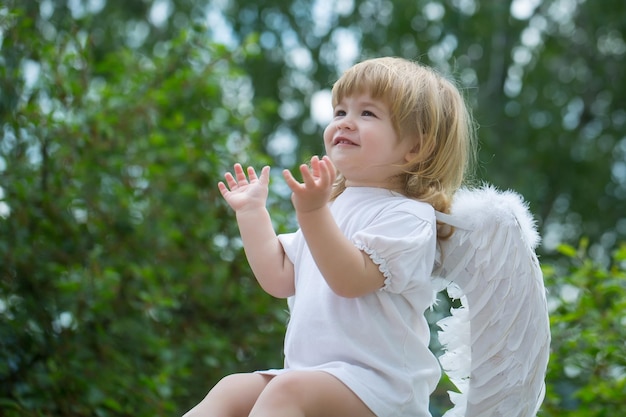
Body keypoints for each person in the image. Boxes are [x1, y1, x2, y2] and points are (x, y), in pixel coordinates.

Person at [183, 56, 475, 417]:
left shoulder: (408, 216)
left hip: (381, 389)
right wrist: (252, 213)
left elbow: (350, 279)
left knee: (288, 391)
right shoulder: (330, 208)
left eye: (367, 114)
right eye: (339, 112)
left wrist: (311, 213)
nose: (346, 123)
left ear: (415, 147)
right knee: (231, 390)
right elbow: (279, 277)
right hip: (314, 379)